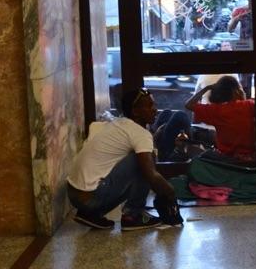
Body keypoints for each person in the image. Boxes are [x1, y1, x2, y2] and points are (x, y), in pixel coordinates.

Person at [66, 88, 182, 231]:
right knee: (145, 160)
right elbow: (150, 174)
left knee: (141, 159)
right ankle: (133, 215)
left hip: (74, 194)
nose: (155, 110)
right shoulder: (140, 134)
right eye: (150, 106)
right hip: (91, 197)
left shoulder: (118, 123)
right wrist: (170, 192)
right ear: (135, 111)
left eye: (154, 105)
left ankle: (90, 214)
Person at [187, 75, 256, 163]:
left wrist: (207, 88)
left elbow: (189, 105)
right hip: (248, 159)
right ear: (235, 91)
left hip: (225, 160)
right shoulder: (249, 105)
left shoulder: (216, 110)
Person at [228, 0, 254, 97]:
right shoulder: (241, 10)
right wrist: (237, 18)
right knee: (244, 82)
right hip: (245, 47)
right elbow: (230, 29)